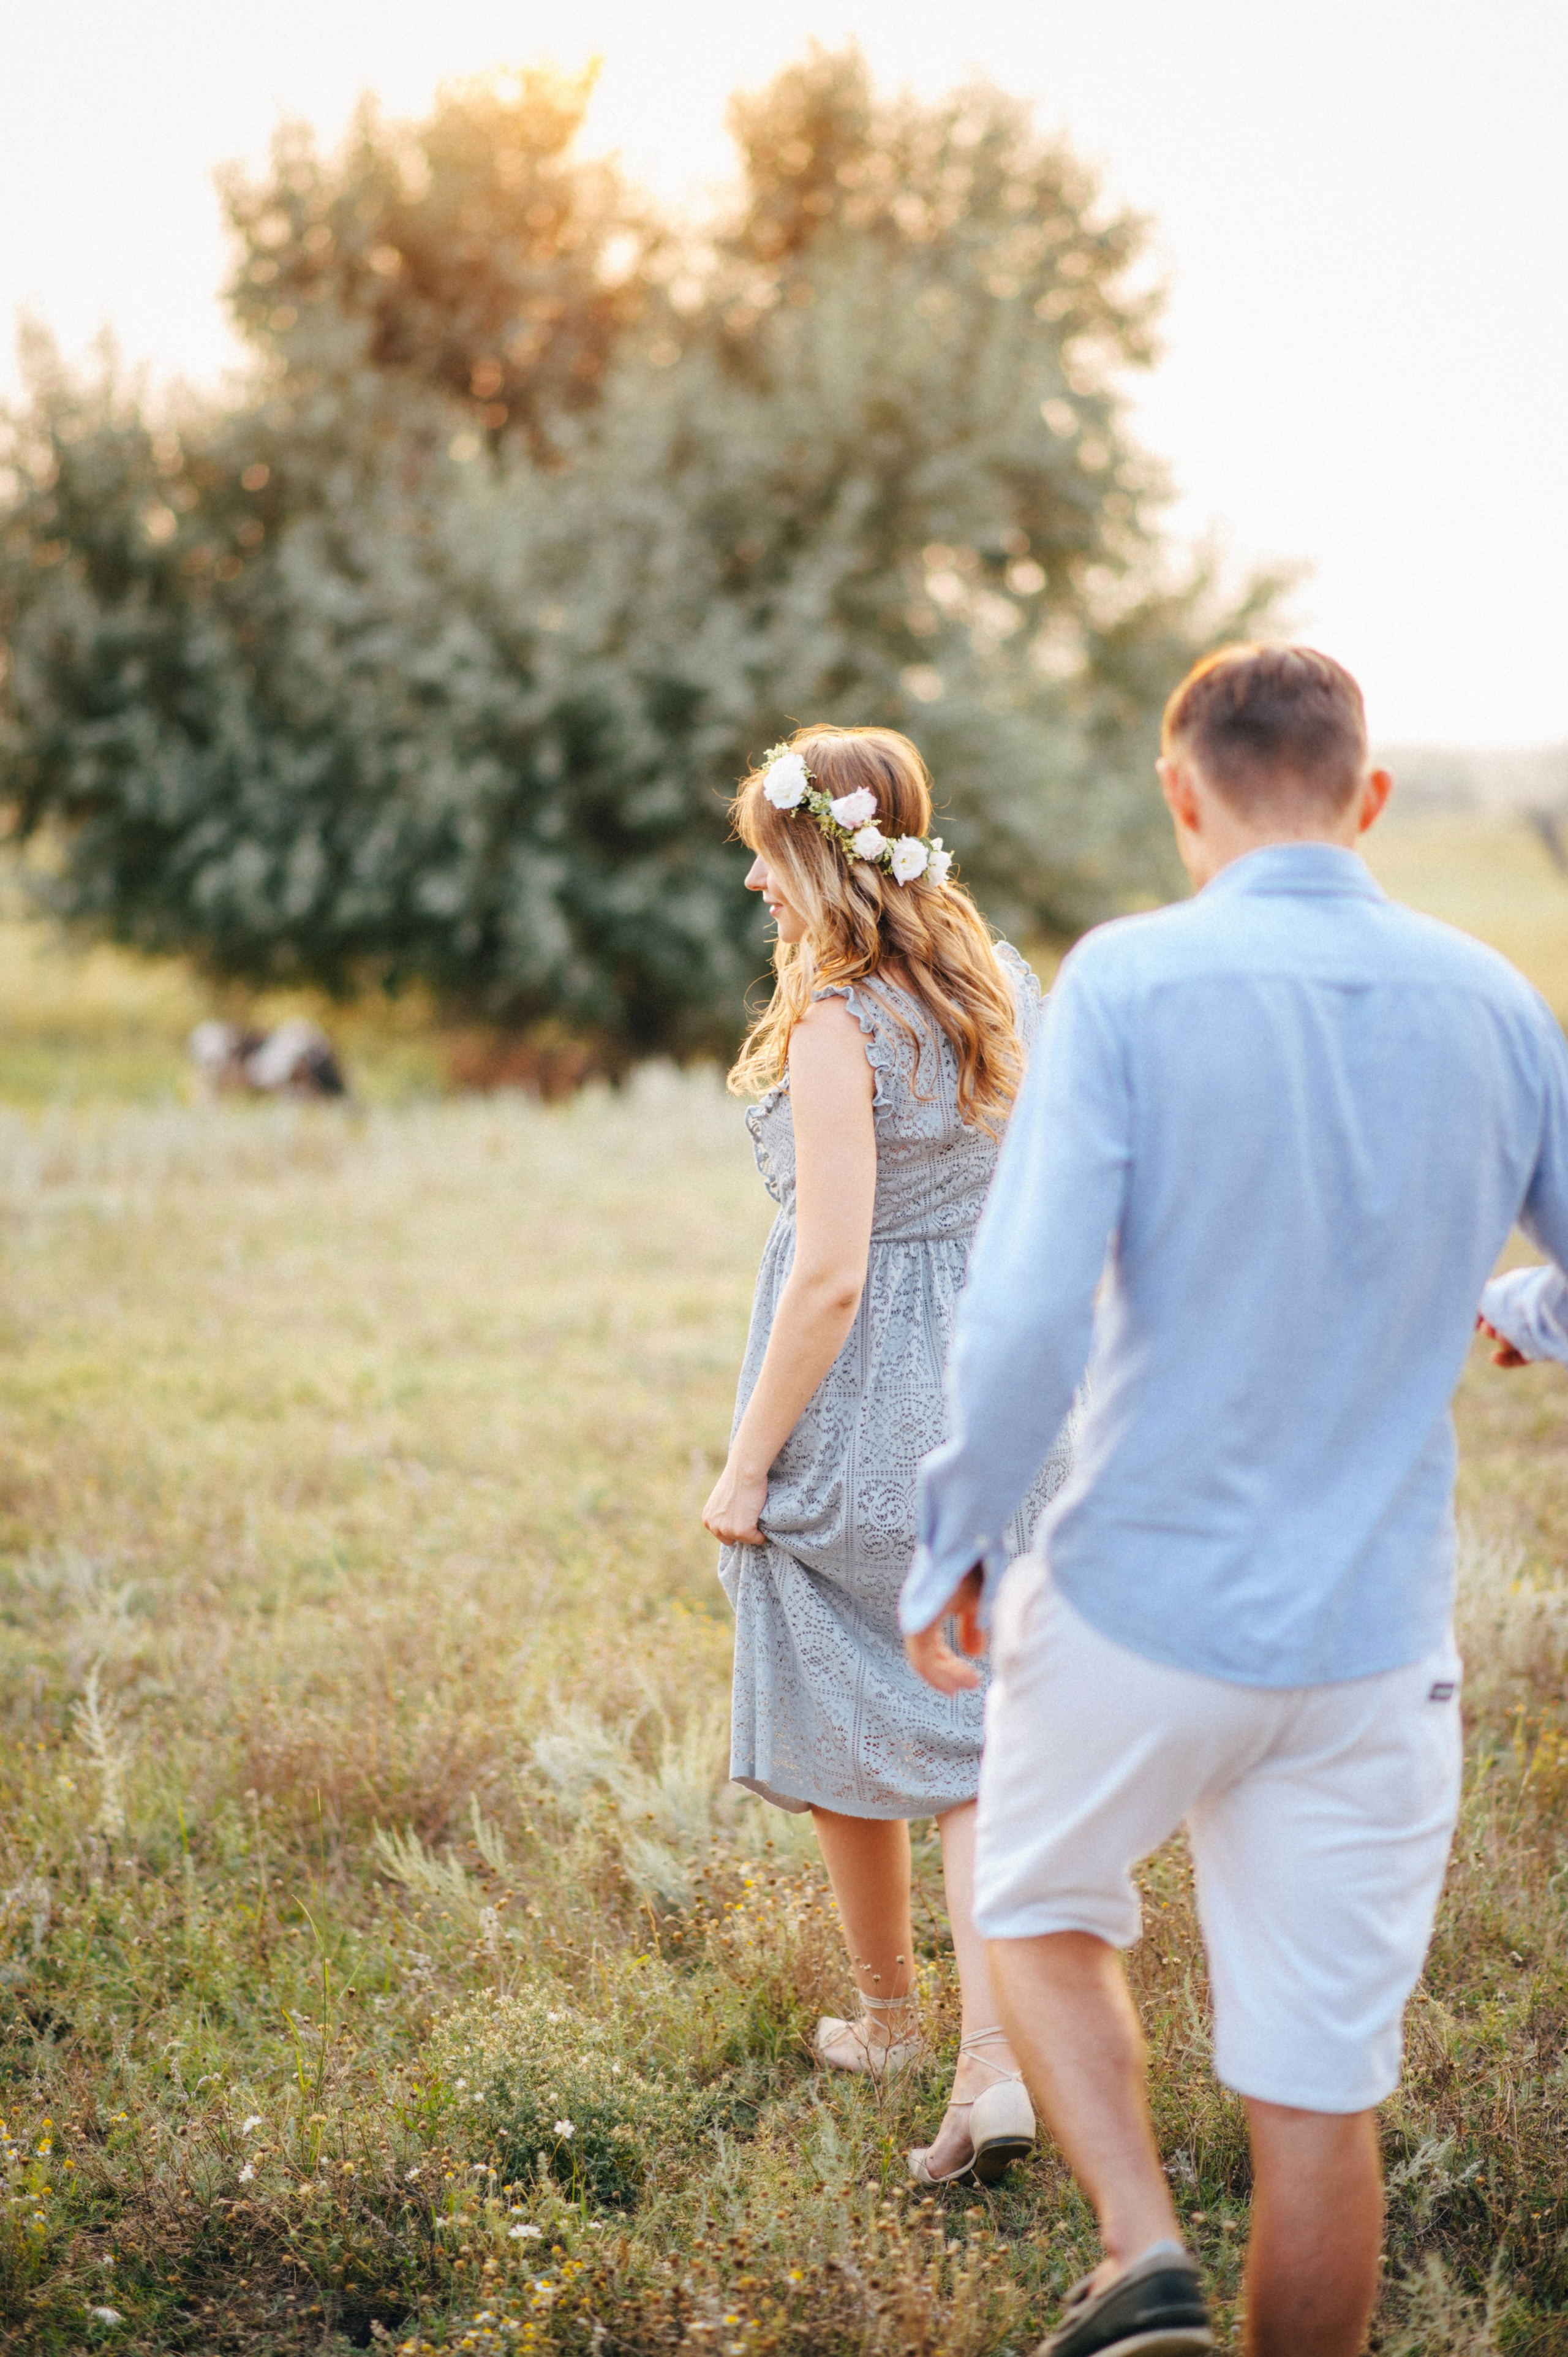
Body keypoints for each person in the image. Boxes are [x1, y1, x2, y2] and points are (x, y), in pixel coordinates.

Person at [901, 644, 1568, 2357]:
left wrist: (956, 1535)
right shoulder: (1500, 1003)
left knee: (1030, 1901)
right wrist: (1531, 1304)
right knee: (1317, 2105)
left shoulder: (1127, 979)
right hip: (1373, 1646)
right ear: (1372, 796)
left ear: (1178, 795)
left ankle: (1140, 2251)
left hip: (1137, 1601)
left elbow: (1027, 1312)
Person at [703, 725, 1071, 2187]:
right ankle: (971, 2054)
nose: (753, 881)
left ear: (821, 857)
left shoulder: (838, 1025)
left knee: (845, 1693)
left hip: (872, 1403)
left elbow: (830, 1274)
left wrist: (745, 1465)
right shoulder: (997, 985)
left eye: (766, 854)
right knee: (971, 1718)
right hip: (1002, 1390)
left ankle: (913, 2029)